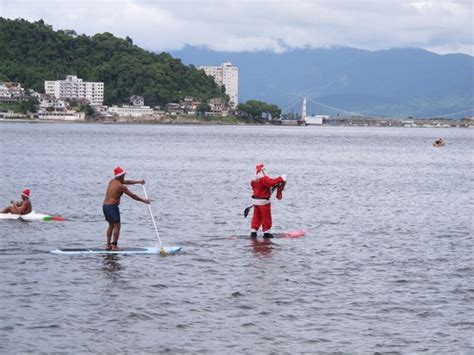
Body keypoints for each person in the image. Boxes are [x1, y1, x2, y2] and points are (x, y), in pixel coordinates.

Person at [103, 167, 149, 251]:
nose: (124, 176)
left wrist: (138, 182)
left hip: (105, 206)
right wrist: (144, 200)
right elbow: (133, 196)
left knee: (111, 225)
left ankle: (108, 245)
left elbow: (127, 182)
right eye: (123, 175)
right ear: (120, 176)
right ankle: (115, 246)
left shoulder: (112, 181)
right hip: (112, 207)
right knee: (117, 226)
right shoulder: (121, 187)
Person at [250, 163, 286, 238]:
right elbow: (271, 182)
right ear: (263, 170)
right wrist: (281, 178)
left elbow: (256, 188)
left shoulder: (253, 180)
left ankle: (253, 232)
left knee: (256, 216)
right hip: (263, 202)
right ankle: (266, 233)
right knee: (266, 217)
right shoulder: (264, 178)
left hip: (255, 201)